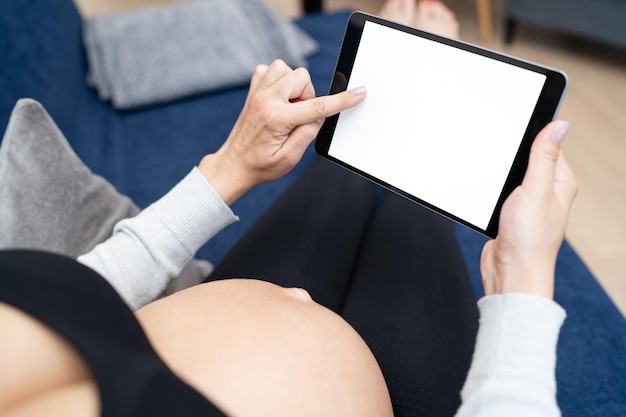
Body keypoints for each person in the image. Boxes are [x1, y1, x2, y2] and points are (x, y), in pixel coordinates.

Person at [0, 2, 577, 417]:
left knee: (345, 163)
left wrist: (231, 168)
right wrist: (523, 283)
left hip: (223, 309)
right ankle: (426, 71)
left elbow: (81, 299)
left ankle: (407, 78)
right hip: (395, 391)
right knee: (416, 201)